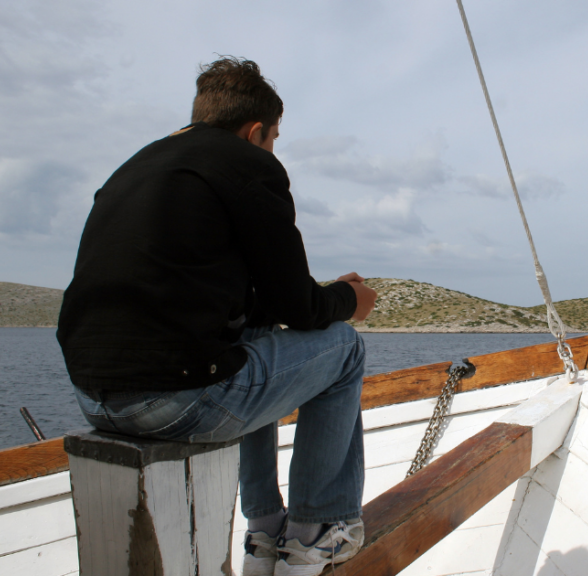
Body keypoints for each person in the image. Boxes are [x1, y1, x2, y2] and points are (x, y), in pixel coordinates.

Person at [56, 56, 376, 575]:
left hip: (93, 398)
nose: (274, 149)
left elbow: (264, 305)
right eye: (274, 138)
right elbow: (300, 307)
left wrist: (315, 298)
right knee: (345, 350)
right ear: (254, 132)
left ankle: (264, 529)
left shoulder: (135, 166)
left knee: (249, 335)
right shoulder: (248, 165)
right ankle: (316, 532)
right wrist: (349, 301)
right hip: (176, 399)